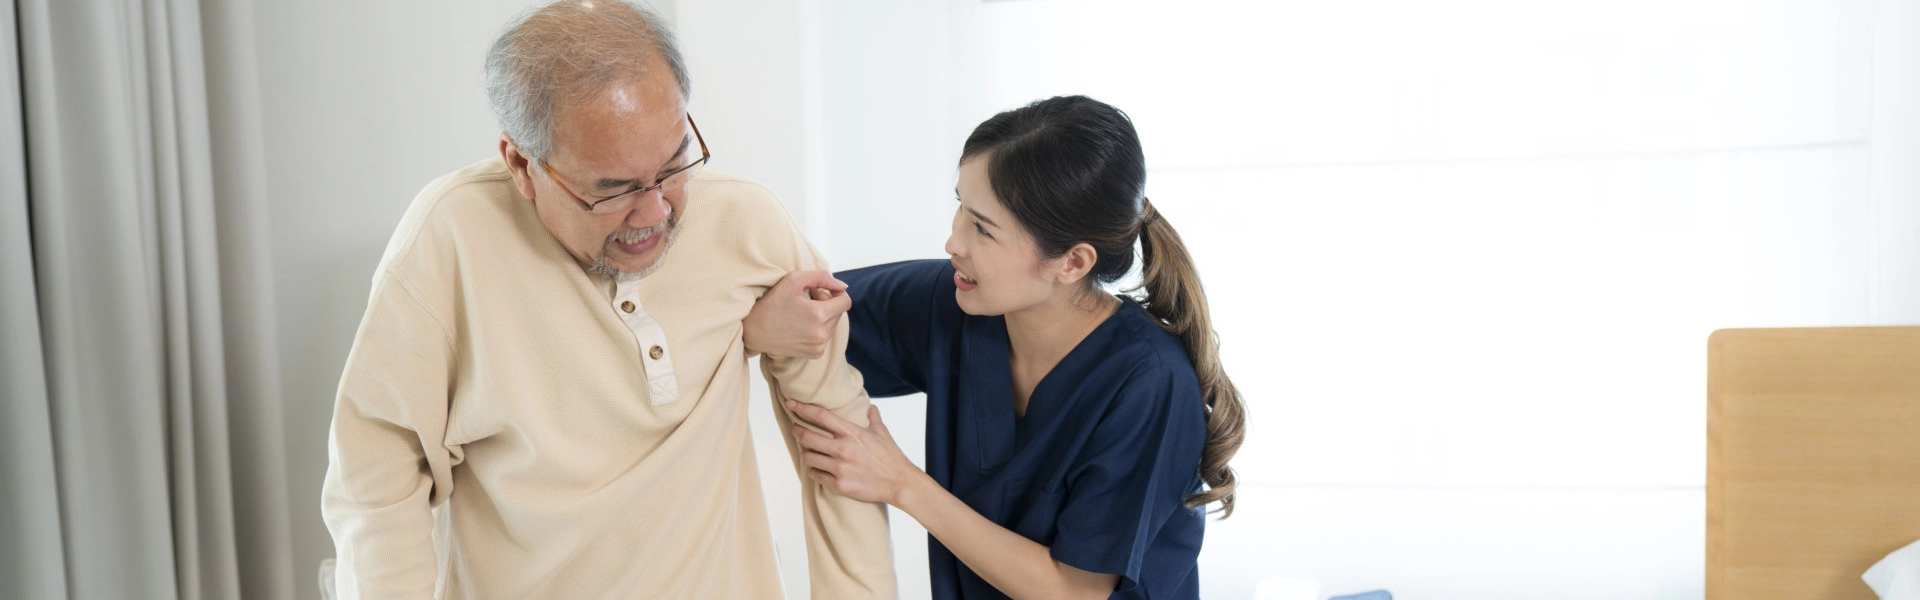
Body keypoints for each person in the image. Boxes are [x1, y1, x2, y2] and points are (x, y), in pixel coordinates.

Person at [319, 2, 896, 598]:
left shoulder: (748, 224)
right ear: (521, 163)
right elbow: (377, 486)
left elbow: (838, 445)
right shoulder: (450, 240)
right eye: (612, 191)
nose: (654, 213)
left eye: (673, 165)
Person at [743, 95, 1247, 599]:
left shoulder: (1148, 383)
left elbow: (1076, 591)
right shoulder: (957, 305)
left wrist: (902, 483)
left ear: (1072, 263)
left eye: (983, 229)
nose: (953, 242)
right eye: (960, 207)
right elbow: (808, 310)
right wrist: (759, 327)